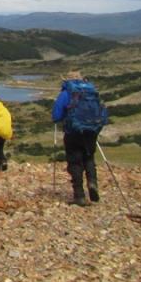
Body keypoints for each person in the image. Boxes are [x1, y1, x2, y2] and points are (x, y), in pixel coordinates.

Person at [52, 70, 104, 206]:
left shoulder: (66, 93)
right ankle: (92, 183)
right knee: (89, 157)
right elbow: (103, 112)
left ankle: (79, 196)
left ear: (66, 80)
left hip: (73, 132)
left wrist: (63, 118)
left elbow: (56, 115)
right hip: (92, 131)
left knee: (75, 161)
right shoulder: (91, 91)